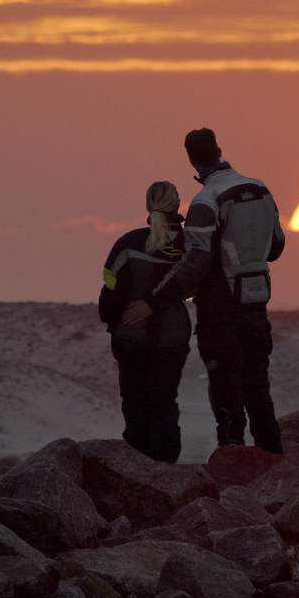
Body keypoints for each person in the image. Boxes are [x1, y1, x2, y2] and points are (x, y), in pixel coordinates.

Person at [121, 128, 286, 453]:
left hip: (219, 309)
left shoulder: (205, 201)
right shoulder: (262, 190)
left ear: (192, 159)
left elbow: (195, 265)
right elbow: (276, 247)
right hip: (257, 303)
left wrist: (153, 302)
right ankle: (274, 465)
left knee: (226, 389)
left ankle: (233, 465)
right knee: (258, 387)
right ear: (219, 150)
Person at [97, 180, 194, 462]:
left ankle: (136, 470)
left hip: (130, 337)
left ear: (148, 206)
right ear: (177, 206)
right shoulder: (190, 245)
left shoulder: (128, 243)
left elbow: (109, 289)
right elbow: (195, 283)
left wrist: (115, 324)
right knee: (165, 403)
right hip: (173, 338)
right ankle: (166, 472)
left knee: (135, 404)